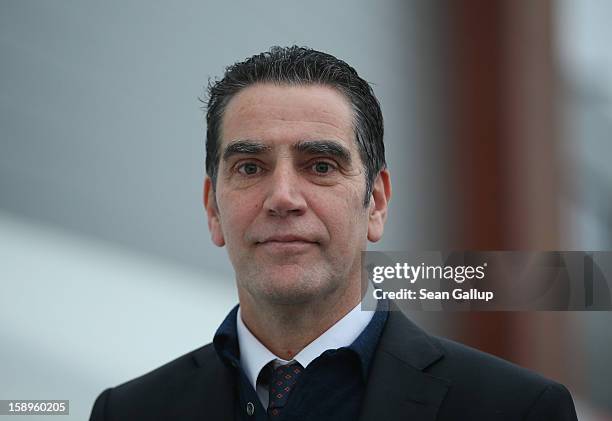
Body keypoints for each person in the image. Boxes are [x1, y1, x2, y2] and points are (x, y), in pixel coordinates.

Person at [89, 46, 578, 421]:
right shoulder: (128, 412)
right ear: (213, 209)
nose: (283, 197)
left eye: (320, 165)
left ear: (376, 203)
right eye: (250, 166)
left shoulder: (516, 410)